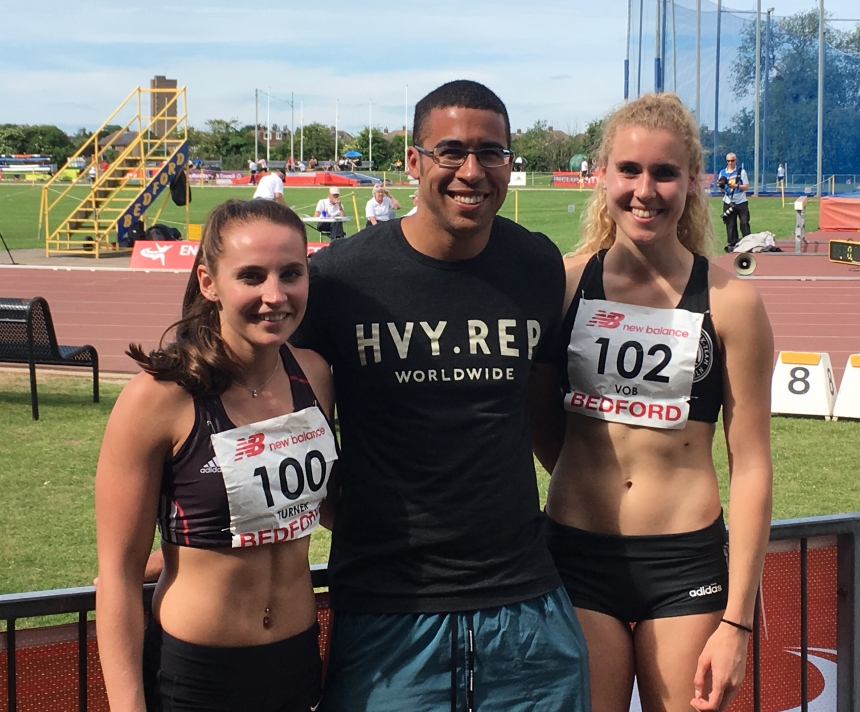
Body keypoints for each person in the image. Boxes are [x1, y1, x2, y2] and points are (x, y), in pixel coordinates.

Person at [291, 79, 590, 711]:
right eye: (451, 151)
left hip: (526, 605)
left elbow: (541, 413)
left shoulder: (536, 265)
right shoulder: (338, 280)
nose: (473, 172)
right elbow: (286, 437)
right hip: (388, 610)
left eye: (493, 153)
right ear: (412, 162)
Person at [533, 93, 773, 712]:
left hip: (684, 563)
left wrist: (738, 623)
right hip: (575, 556)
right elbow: (537, 417)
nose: (646, 190)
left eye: (665, 173)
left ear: (694, 180)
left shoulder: (732, 302)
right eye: (630, 171)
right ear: (601, 175)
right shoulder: (562, 285)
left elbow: (750, 467)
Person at [95, 199, 336, 712]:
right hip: (196, 674)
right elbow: (117, 574)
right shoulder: (158, 397)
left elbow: (304, 507)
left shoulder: (316, 376)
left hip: (295, 664)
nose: (275, 295)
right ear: (208, 283)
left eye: (291, 274)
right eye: (251, 276)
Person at [718, 153, 751, 252]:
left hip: (741, 201)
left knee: (744, 222)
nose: (730, 163)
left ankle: (748, 242)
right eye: (728, 161)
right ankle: (732, 244)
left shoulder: (741, 172)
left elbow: (746, 187)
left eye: (732, 160)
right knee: (730, 224)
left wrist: (736, 186)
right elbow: (721, 190)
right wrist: (722, 186)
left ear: (736, 160)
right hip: (728, 201)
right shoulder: (722, 172)